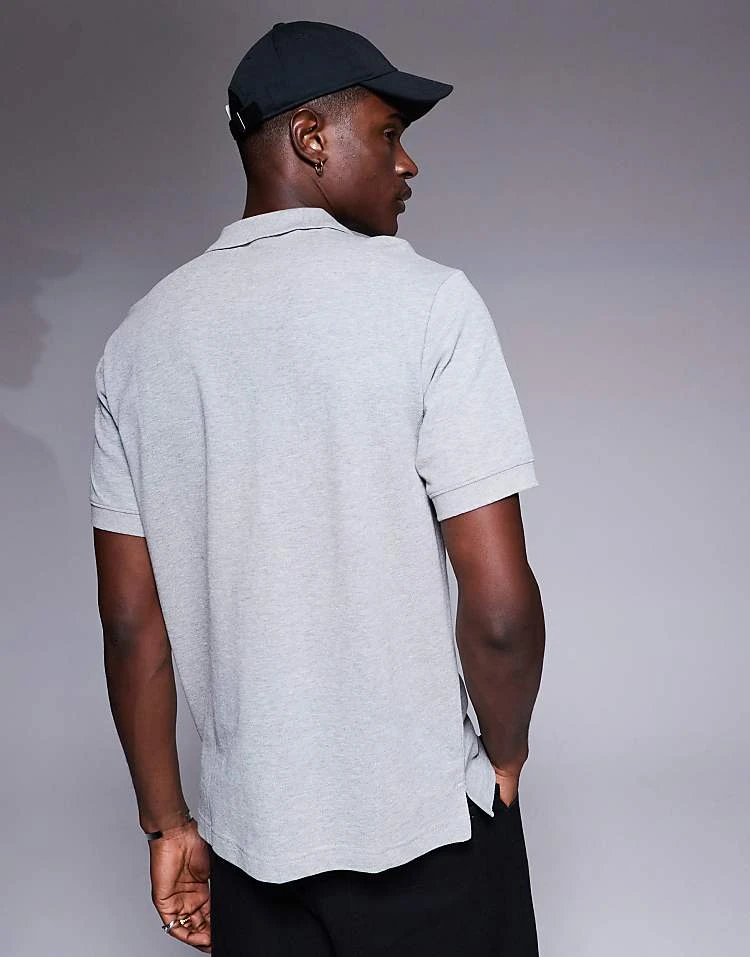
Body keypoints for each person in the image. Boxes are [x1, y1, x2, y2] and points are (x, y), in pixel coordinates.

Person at [89, 19, 545, 957]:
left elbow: (133, 625)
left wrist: (168, 823)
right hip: (429, 831)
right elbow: (500, 610)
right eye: (388, 133)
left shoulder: (138, 344)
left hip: (254, 849)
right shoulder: (430, 305)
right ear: (310, 137)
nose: (409, 163)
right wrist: (503, 753)